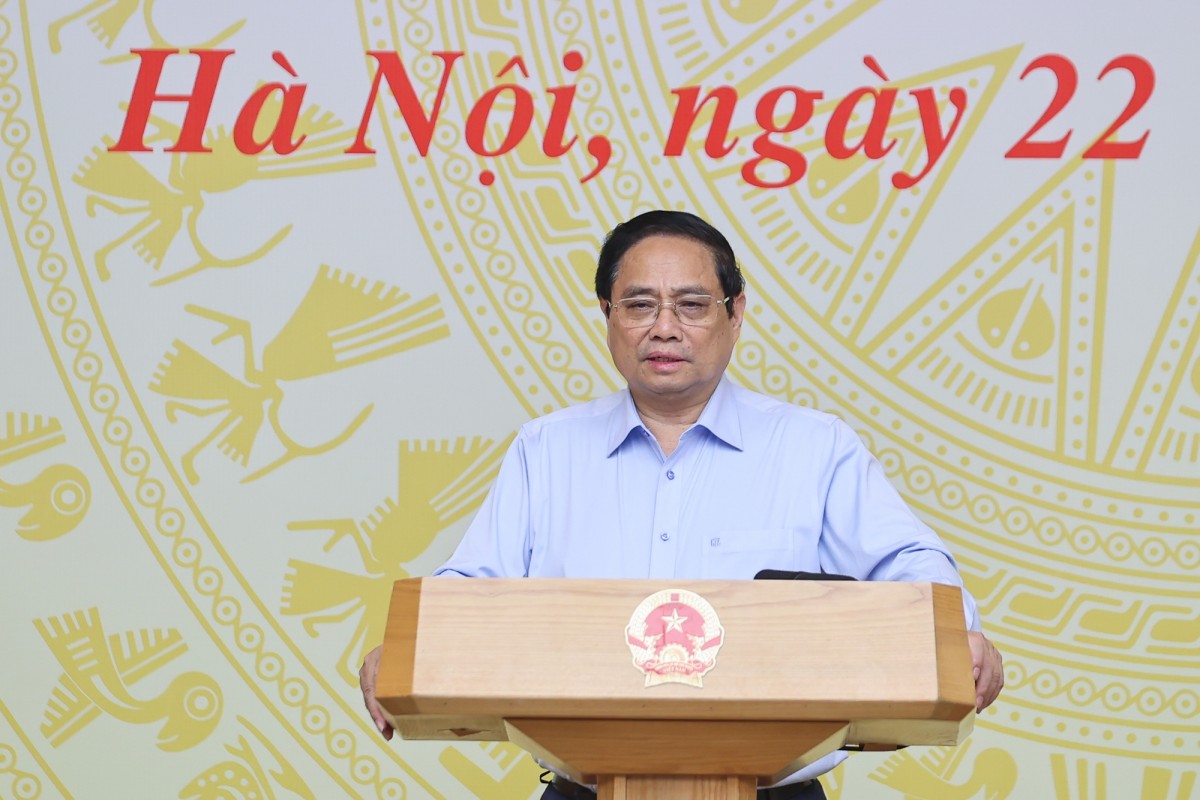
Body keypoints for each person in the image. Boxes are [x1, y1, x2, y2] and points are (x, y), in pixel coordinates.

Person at [359, 210, 1004, 800]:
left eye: (691, 305)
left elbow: (910, 562)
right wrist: (410, 649)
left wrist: (958, 636)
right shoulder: (546, 449)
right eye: (640, 304)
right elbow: (470, 591)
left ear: (736, 313)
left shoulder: (814, 447)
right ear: (607, 315)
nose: (664, 327)